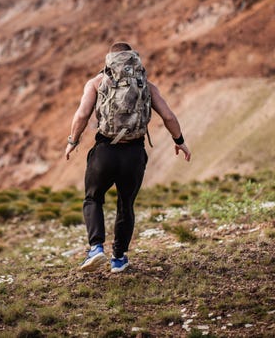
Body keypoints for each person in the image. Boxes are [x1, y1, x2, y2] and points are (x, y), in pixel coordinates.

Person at [65, 41, 191, 273]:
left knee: (93, 198)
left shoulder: (96, 83)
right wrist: (180, 142)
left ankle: (96, 248)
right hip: (134, 154)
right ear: (134, 59)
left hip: (105, 152)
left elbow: (82, 114)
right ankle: (119, 258)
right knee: (126, 205)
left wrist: (72, 141)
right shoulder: (146, 85)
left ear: (109, 61)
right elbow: (169, 117)